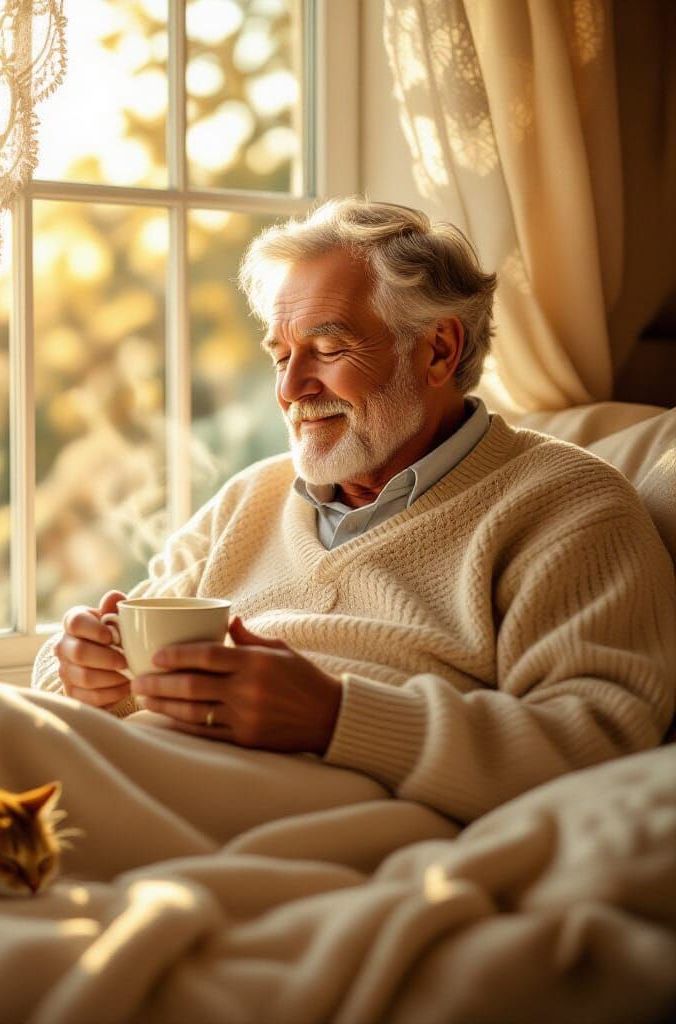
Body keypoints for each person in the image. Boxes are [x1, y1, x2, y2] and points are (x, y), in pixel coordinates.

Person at [33, 197, 676, 822]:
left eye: (328, 349)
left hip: (332, 810)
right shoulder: (247, 498)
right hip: (156, 773)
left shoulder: (568, 505)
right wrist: (86, 674)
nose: (289, 390)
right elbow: (90, 667)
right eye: (282, 356)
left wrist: (337, 717)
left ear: (438, 351)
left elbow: (602, 742)